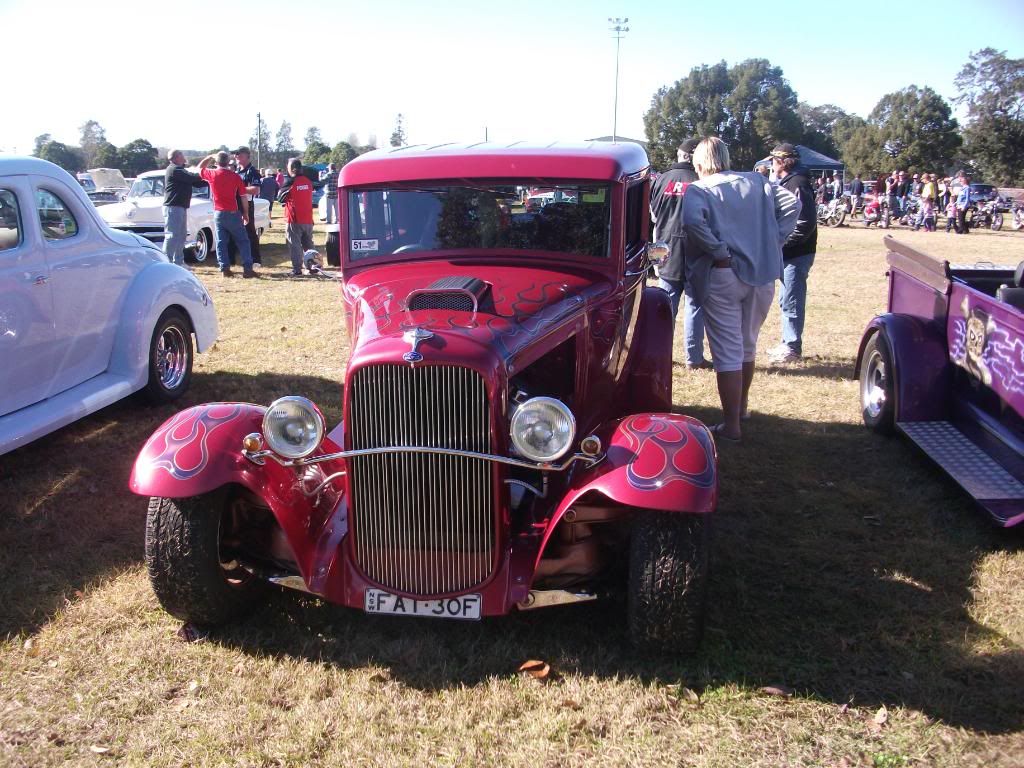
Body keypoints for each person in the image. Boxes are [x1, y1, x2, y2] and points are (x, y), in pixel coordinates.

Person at [681, 137, 799, 442]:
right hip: (761, 273)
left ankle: (732, 424)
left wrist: (719, 252)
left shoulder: (699, 189)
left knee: (728, 351)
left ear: (698, 163)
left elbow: (693, 224)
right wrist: (773, 241)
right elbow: (792, 203)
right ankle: (741, 410)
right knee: (747, 344)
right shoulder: (757, 181)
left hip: (724, 274)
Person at [650, 138, 709, 369]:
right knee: (696, 304)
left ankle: (658, 354)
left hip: (664, 249)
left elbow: (652, 216)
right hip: (698, 249)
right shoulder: (704, 181)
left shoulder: (661, 179)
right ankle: (694, 357)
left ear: (679, 154)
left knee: (665, 306)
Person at [767, 143, 817, 364]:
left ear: (781, 162)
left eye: (773, 160)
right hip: (790, 252)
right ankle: (788, 341)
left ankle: (792, 346)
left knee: (792, 299)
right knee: (785, 298)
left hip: (796, 253)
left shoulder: (798, 183)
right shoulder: (791, 182)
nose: (771, 165)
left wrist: (783, 244)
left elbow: (805, 223)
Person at [198, 151, 256, 277]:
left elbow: (200, 169)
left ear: (217, 162)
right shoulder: (235, 177)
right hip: (233, 212)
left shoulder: (212, 174)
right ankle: (247, 268)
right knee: (243, 241)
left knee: (221, 241)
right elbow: (243, 197)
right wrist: (245, 213)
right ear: (228, 162)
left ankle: (224, 268)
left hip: (218, 212)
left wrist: (209, 157)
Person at [162, 149, 207, 266]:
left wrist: (211, 179)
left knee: (181, 235)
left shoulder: (180, 170)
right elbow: (193, 177)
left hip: (180, 207)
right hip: (173, 206)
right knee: (172, 235)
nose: (184, 157)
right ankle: (166, 262)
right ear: (176, 158)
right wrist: (206, 173)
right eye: (182, 155)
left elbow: (197, 182)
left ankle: (178, 262)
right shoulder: (174, 169)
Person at [277, 158, 316, 276]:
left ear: (292, 169)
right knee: (308, 244)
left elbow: (280, 198)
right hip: (308, 218)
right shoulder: (308, 181)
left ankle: (297, 269)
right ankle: (313, 265)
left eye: (288, 167)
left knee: (294, 244)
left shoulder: (290, 182)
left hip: (294, 218)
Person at [232, 147, 263, 268]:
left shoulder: (252, 171)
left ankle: (256, 259)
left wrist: (240, 189)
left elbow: (256, 189)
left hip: (247, 203)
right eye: (236, 154)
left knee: (250, 231)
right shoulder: (237, 171)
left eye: (239, 154)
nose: (236, 157)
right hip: (235, 203)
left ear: (246, 156)